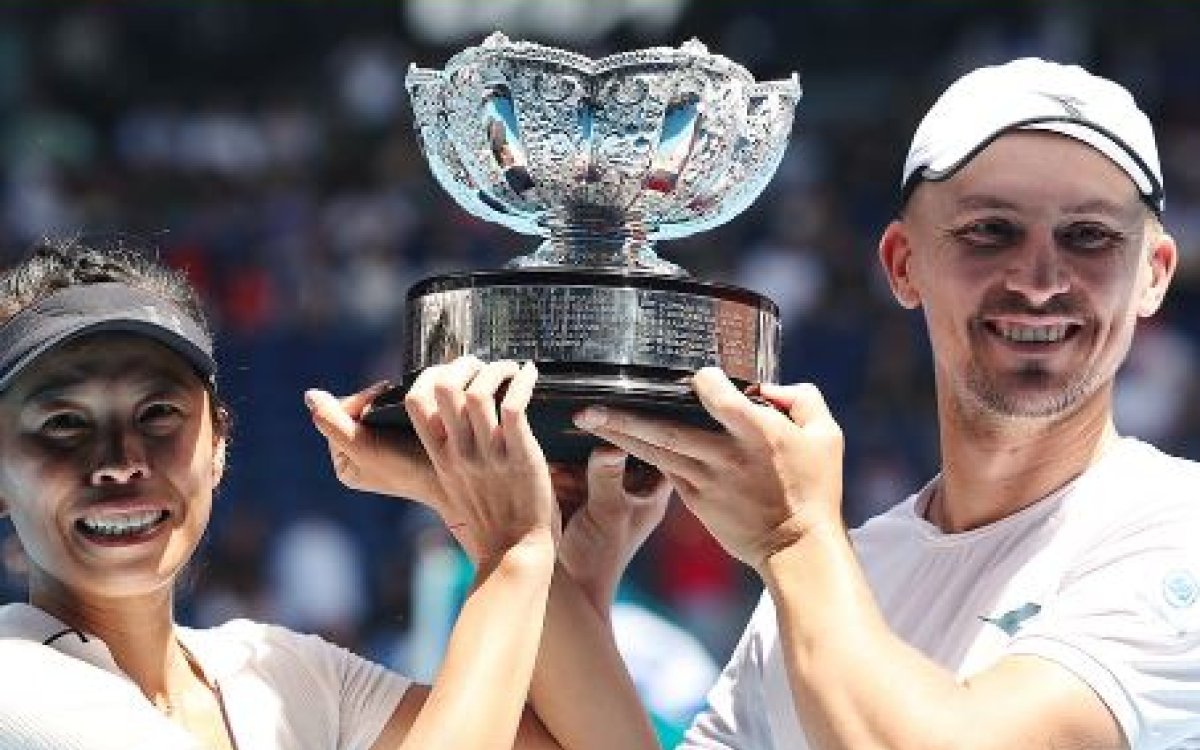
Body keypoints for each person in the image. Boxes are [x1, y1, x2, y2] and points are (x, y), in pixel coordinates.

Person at [562, 57, 1200, 748]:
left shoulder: (1179, 532)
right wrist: (558, 572)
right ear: (903, 264)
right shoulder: (839, 573)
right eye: (991, 230)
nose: (1040, 280)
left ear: (1153, 275)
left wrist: (795, 539)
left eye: (1089, 236)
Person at [0, 235, 592, 749]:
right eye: (64, 423)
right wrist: (514, 553)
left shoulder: (279, 673)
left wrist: (550, 554)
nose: (120, 462)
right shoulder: (13, 685)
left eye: (158, 412)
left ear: (219, 446)